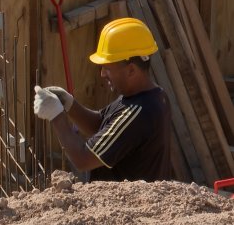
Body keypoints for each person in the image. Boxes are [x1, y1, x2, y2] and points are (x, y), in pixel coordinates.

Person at [33, 17, 171, 182]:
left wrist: (56, 115)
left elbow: (83, 159)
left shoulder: (138, 113)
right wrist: (69, 103)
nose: (102, 74)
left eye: (108, 68)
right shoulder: (150, 96)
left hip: (125, 205)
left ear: (131, 70)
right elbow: (101, 124)